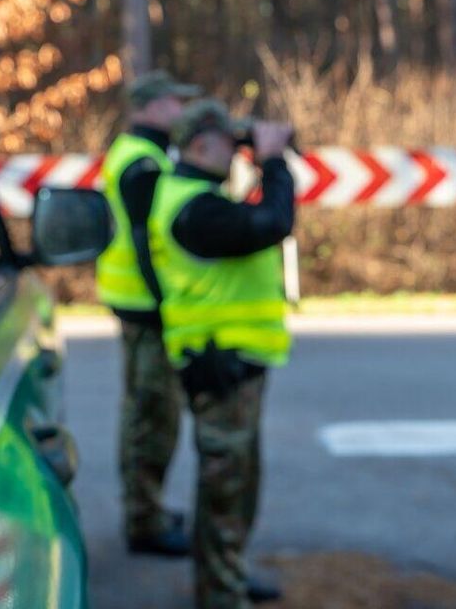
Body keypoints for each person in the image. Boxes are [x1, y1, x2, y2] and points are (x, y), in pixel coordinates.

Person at [148, 99, 295, 607]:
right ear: (198, 145)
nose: (236, 153)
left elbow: (254, 219)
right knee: (226, 488)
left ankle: (224, 578)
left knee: (233, 483)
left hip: (227, 362)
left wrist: (265, 162)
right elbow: (272, 221)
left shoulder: (196, 198)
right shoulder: (196, 209)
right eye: (229, 144)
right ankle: (220, 594)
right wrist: (272, 162)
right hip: (220, 364)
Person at [95, 70, 200, 556]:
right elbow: (145, 241)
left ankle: (148, 508)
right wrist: (166, 301)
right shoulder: (142, 162)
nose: (182, 112)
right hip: (147, 306)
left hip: (137, 301)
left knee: (146, 410)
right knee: (152, 416)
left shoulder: (138, 152)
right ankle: (145, 521)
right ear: (150, 106)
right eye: (176, 102)